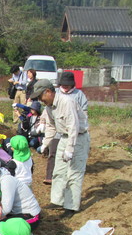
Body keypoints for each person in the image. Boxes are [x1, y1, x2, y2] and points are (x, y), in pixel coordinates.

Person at [31, 79, 90, 217]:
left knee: (74, 173)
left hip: (77, 138)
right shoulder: (49, 107)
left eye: (40, 96)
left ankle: (71, 207)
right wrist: (45, 144)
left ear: (48, 92)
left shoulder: (66, 102)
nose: (40, 100)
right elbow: (51, 126)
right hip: (63, 137)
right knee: (58, 171)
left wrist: (70, 149)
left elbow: (73, 127)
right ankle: (57, 201)